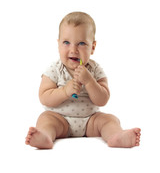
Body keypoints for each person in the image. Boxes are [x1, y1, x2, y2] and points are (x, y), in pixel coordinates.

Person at [25, 11, 141, 149]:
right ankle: (45, 136)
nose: (73, 50)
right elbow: (44, 97)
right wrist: (65, 91)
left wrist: (90, 81)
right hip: (60, 120)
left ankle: (116, 136)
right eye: (66, 42)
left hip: (90, 121)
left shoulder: (95, 69)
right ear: (58, 45)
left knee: (110, 119)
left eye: (81, 43)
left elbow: (103, 100)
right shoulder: (54, 69)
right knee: (45, 119)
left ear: (92, 47)